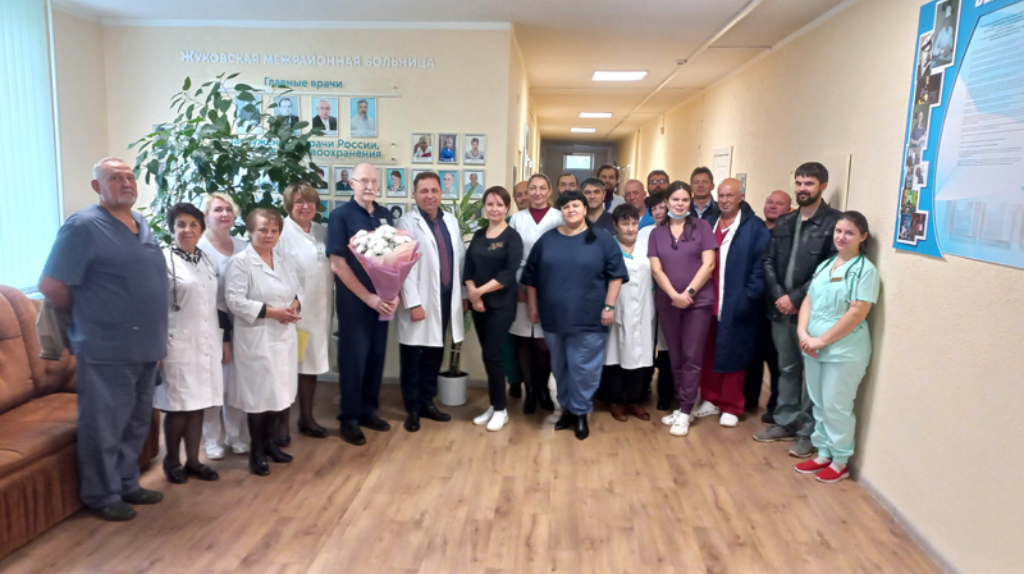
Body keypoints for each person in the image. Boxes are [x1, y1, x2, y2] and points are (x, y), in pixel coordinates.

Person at [39, 158, 168, 521]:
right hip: (106, 347)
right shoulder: (82, 227)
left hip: (146, 346)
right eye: (115, 178)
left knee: (136, 422)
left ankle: (127, 482)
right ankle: (101, 494)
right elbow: (50, 285)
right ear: (97, 186)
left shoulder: (140, 223)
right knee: (104, 426)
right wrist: (92, 312)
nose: (126, 183)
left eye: (129, 177)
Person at [522, 190, 627, 440]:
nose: (571, 210)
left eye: (576, 205)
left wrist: (609, 307)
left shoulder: (602, 239)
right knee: (560, 367)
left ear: (584, 209)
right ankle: (567, 410)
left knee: (584, 368)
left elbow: (616, 275)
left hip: (589, 317)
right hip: (553, 317)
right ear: (561, 211)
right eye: (566, 206)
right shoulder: (547, 240)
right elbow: (532, 279)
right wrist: (533, 308)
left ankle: (580, 413)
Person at [754, 162, 841, 458]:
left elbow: (831, 268)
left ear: (823, 187)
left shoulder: (833, 223)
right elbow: (768, 261)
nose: (803, 189)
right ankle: (786, 422)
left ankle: (808, 433)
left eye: (809, 183)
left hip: (814, 313)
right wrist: (780, 295)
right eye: (799, 183)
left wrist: (796, 297)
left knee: (813, 374)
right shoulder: (785, 222)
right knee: (787, 368)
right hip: (781, 310)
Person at [795, 212, 879, 483]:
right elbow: (809, 300)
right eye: (838, 231)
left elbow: (857, 313)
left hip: (844, 352)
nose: (841, 237)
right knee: (819, 403)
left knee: (836, 406)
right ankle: (823, 453)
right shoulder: (826, 265)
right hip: (812, 347)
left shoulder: (865, 271)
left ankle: (840, 460)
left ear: (863, 237)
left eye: (850, 232)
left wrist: (820, 340)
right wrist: (803, 333)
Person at [225, 208, 303, 476]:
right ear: (250, 231)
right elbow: (235, 301)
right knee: (259, 397)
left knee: (278, 394)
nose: (269, 235)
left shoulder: (284, 259)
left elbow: (298, 289)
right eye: (263, 230)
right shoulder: (240, 262)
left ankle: (271, 445)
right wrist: (274, 313)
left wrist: (294, 305)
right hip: (256, 338)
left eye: (274, 230)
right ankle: (256, 451)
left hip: (283, 336)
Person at [690, 179, 770, 428]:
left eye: (730, 196)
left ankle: (731, 405)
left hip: (737, 302)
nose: (724, 200)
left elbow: (761, 267)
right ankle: (710, 399)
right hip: (708, 301)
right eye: (721, 195)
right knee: (708, 352)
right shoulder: (708, 222)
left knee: (734, 354)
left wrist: (749, 296)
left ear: (741, 197)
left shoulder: (755, 228)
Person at [327, 163, 397, 446]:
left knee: (376, 356)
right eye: (364, 181)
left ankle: (369, 410)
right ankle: (350, 418)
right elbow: (338, 264)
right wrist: (368, 297)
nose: (370, 186)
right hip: (355, 302)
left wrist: (393, 292)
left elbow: (394, 259)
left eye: (374, 182)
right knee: (354, 359)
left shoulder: (384, 215)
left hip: (383, 300)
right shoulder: (340, 216)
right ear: (352, 183)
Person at [156, 203, 222, 484]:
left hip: (206, 342)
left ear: (202, 229)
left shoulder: (208, 260)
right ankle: (172, 461)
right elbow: (153, 307)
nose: (187, 230)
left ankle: (194, 461)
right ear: (172, 229)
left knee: (198, 404)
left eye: (194, 224)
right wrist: (156, 348)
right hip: (176, 343)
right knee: (178, 406)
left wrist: (225, 340)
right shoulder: (162, 261)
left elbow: (217, 304)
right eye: (181, 224)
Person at [396, 172, 467, 432]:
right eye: (424, 191)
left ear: (441, 193)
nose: (429, 196)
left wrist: (462, 295)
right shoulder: (406, 222)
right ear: (414, 194)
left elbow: (460, 258)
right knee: (413, 356)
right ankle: (413, 409)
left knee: (435, 352)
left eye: (434, 190)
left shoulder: (450, 220)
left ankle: (427, 402)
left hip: (446, 298)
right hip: (420, 299)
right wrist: (413, 303)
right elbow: (403, 265)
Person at [648, 181, 717, 437]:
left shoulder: (702, 227)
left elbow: (709, 265)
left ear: (690, 202)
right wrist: (673, 295)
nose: (680, 204)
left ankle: (687, 410)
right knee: (675, 357)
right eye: (675, 199)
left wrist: (688, 293)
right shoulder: (657, 233)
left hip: (697, 303)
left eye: (685, 200)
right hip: (668, 302)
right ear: (666, 202)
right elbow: (656, 269)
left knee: (691, 357)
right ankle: (681, 405)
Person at [277, 183, 332, 440]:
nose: (305, 206)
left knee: (310, 366)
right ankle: (280, 424)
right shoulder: (280, 232)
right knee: (287, 368)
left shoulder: (321, 231)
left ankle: (306, 418)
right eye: (299, 201)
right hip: (292, 314)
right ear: (290, 205)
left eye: (310, 201)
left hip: (319, 311)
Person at [465, 186, 524, 432]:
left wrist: (479, 292)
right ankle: (494, 405)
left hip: (501, 305)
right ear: (484, 207)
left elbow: (508, 274)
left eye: (500, 204)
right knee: (487, 355)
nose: (494, 209)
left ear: (507, 208)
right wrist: (473, 293)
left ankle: (501, 410)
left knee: (493, 354)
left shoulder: (512, 237)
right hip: (479, 305)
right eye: (490, 204)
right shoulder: (479, 235)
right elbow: (468, 268)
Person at [197, 193, 251, 459]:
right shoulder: (199, 248)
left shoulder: (244, 246)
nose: (224, 214)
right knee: (214, 384)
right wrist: (224, 335)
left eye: (229, 209)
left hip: (243, 324)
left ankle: (235, 435)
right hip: (212, 326)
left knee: (237, 384)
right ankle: (211, 439)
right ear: (206, 216)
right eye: (218, 209)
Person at [508, 174, 563, 413]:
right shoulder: (517, 219)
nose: (537, 193)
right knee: (523, 340)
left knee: (544, 344)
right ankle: (530, 391)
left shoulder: (559, 217)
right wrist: (516, 288)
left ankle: (543, 389)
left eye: (542, 188)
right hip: (521, 284)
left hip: (551, 287)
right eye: (533, 188)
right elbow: (510, 256)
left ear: (550, 191)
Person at [600, 204, 654, 422]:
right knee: (615, 355)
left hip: (644, 308)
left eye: (634, 223)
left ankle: (635, 400)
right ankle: (616, 401)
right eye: (625, 223)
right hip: (617, 308)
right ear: (615, 225)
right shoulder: (608, 247)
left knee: (641, 355)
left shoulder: (646, 246)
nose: (631, 228)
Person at [745, 190, 792, 420]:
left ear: (790, 209)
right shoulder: (755, 230)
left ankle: (775, 407)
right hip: (753, 305)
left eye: (779, 203)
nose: (773, 206)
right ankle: (749, 400)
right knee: (752, 356)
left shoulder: (790, 235)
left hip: (778, 308)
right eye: (769, 202)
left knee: (776, 361)